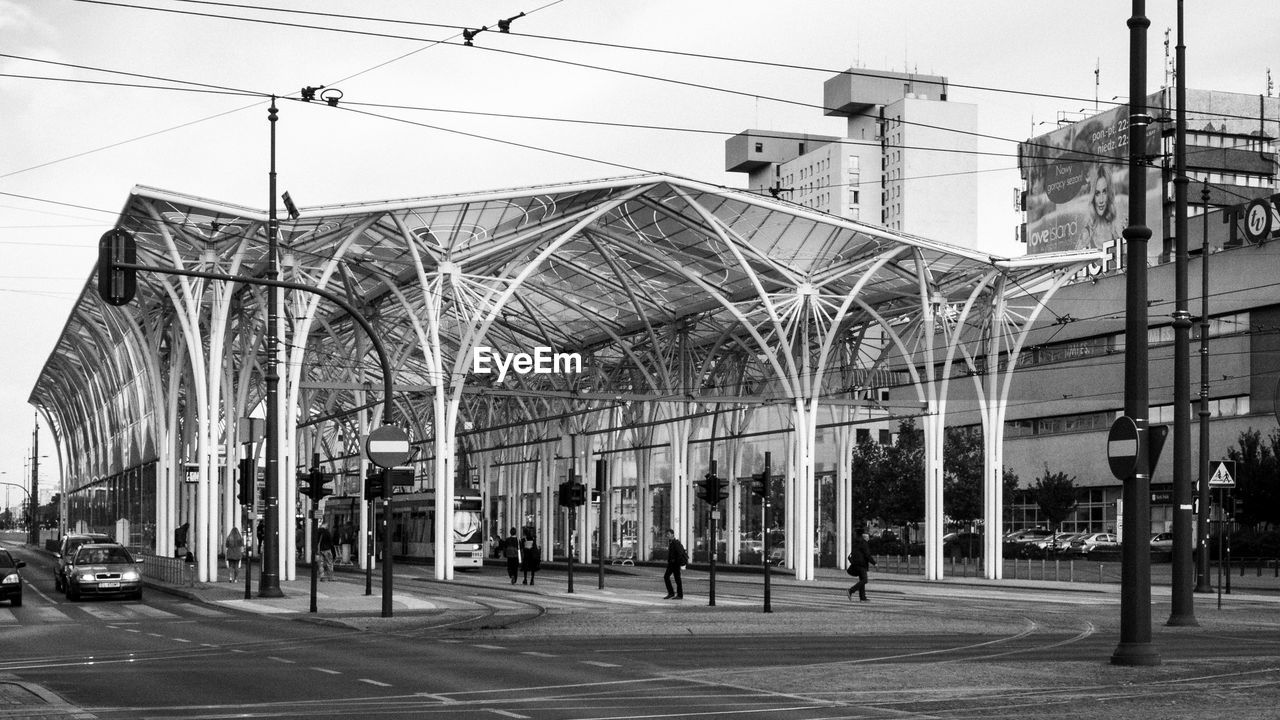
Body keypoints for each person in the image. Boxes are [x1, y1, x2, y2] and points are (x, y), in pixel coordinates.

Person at [1079, 164, 1124, 250]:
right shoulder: (1087, 233)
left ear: (1109, 194)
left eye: (1104, 192)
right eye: (1097, 193)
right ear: (1093, 197)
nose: (1101, 200)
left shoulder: (1116, 229)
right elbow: (1076, 261)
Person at [847, 527, 877, 602]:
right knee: (865, 580)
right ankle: (851, 591)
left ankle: (862, 597)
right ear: (865, 537)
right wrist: (874, 563)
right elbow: (867, 555)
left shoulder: (855, 542)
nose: (868, 538)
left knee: (862, 580)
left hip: (856, 564)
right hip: (861, 564)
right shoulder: (864, 543)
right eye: (868, 536)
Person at [663, 528, 687, 600]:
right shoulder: (671, 542)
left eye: (668, 534)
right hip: (671, 564)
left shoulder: (676, 543)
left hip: (675, 564)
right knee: (667, 577)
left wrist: (676, 562)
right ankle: (672, 593)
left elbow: (679, 553)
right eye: (666, 534)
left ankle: (678, 595)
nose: (667, 536)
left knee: (676, 579)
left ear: (672, 534)